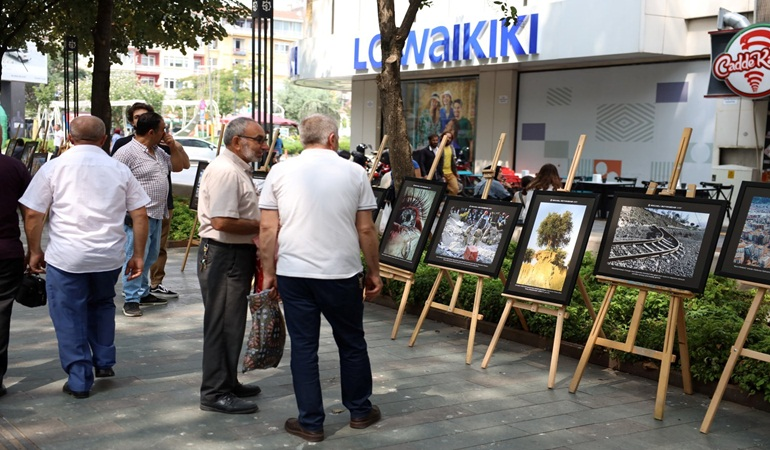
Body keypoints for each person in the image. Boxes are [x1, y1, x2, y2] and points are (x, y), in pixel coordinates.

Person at [259, 114, 382, 443]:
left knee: (304, 348)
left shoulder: (280, 171)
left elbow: (269, 228)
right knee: (352, 342)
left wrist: (268, 272)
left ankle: (311, 422)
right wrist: (374, 272)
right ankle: (359, 410)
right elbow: (366, 228)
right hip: (341, 272)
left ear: (302, 139)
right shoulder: (355, 172)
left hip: (294, 273)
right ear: (332, 139)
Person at [19, 116, 150, 399]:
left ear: (70, 137)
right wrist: (138, 255)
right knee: (102, 304)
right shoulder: (119, 169)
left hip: (67, 256)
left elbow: (32, 212)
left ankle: (79, 378)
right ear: (104, 139)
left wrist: (35, 250)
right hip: (108, 256)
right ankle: (103, 361)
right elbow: (140, 213)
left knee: (68, 313)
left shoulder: (54, 167)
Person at [196, 117, 266, 414]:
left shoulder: (235, 168)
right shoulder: (226, 171)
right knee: (223, 324)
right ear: (237, 141)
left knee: (231, 322)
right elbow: (222, 221)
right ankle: (215, 392)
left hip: (232, 255)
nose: (264, 146)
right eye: (259, 139)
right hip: (225, 254)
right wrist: (265, 227)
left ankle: (226, 380)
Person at [113, 112, 189, 317]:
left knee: (151, 255)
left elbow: (179, 166)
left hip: (157, 212)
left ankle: (143, 291)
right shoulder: (126, 152)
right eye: (163, 129)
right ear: (151, 131)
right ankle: (131, 298)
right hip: (137, 216)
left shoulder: (157, 150)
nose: (166, 132)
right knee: (135, 254)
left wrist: (173, 145)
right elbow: (113, 181)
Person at [0, 130, 32, 398]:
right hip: (6, 252)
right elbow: (30, 212)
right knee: (1, 315)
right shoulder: (14, 167)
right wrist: (34, 250)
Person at [439, 130, 461, 195]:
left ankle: (448, 202)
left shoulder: (451, 147)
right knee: (440, 191)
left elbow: (453, 161)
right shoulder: (438, 147)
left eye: (450, 138)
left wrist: (456, 172)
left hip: (450, 173)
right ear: (442, 137)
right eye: (446, 137)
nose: (448, 139)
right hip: (441, 173)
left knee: (455, 189)